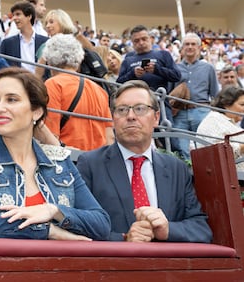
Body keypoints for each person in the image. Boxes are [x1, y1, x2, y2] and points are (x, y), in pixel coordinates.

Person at [0, 67, 111, 241]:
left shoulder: (59, 160)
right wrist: (47, 231)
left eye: (12, 99)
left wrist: (53, 211)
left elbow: (101, 224)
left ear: (36, 111)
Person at [76, 80, 212, 243]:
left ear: (156, 117)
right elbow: (79, 226)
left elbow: (200, 228)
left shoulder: (177, 168)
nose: (131, 116)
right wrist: (124, 239)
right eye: (122, 110)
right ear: (113, 119)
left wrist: (168, 230)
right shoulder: (90, 164)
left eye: (140, 109)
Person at [42, 34, 114, 151]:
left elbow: (51, 137)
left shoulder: (53, 85)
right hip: (97, 161)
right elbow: (109, 137)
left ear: (49, 61)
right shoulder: (99, 90)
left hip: (69, 161)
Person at [117, 25, 182, 151]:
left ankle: (181, 165)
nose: (141, 43)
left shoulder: (163, 55)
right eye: (136, 41)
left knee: (170, 140)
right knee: (138, 140)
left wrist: (157, 70)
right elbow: (119, 83)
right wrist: (133, 75)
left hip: (160, 104)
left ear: (151, 39)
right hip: (136, 107)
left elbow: (176, 76)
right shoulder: (128, 60)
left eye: (144, 39)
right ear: (132, 42)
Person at [170, 33, 219, 160]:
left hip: (202, 111)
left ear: (199, 47)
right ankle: (191, 178)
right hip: (180, 113)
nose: (190, 47)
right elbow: (170, 92)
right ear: (182, 48)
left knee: (205, 148)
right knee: (182, 149)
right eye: (187, 44)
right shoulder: (175, 68)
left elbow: (215, 94)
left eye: (193, 44)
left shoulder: (208, 68)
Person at [197, 86, 244, 171]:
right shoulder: (214, 119)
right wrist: (242, 147)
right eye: (242, 105)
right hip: (224, 176)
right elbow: (218, 152)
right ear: (226, 104)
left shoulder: (231, 123)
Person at [0, 1, 48, 73]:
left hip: (39, 83)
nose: (14, 18)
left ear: (29, 16)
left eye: (18, 14)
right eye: (13, 15)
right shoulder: (7, 43)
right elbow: (2, 68)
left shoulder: (46, 42)